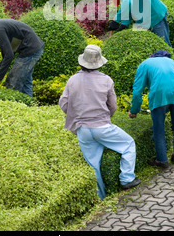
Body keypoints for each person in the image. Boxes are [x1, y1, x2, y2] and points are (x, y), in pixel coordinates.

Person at [59, 44, 140, 200]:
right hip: (102, 127)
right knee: (129, 144)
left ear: (82, 61)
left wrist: (76, 116)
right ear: (99, 63)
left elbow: (63, 104)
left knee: (94, 165)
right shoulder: (106, 80)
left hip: (82, 130)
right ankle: (127, 179)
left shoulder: (72, 80)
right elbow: (113, 106)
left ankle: (100, 199)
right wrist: (104, 117)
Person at [128, 50, 174, 167]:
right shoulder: (171, 62)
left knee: (158, 128)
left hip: (159, 95)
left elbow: (137, 92)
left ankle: (162, 160)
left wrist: (134, 111)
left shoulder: (144, 64)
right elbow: (172, 82)